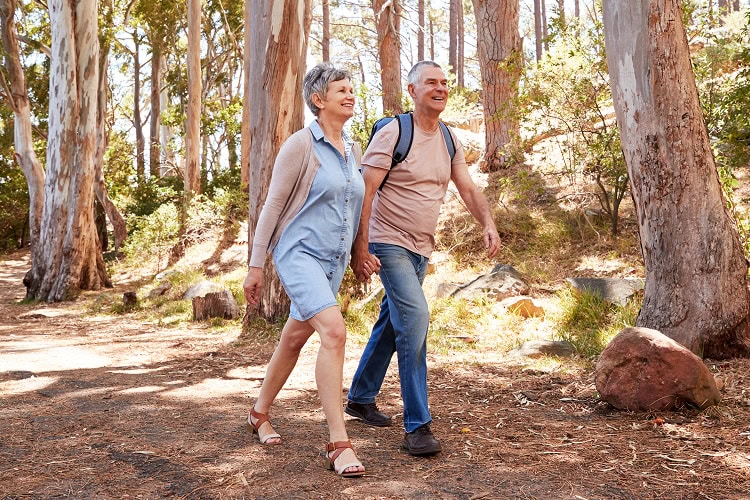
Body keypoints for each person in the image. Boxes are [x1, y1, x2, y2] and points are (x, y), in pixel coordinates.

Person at [345, 60, 501, 456]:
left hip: (421, 247)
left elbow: (466, 187)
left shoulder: (448, 138)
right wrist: (359, 248)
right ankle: (418, 425)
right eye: (431, 82)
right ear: (412, 90)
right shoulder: (395, 132)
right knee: (415, 317)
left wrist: (487, 222)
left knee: (390, 320)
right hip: (387, 242)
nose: (440, 88)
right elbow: (365, 191)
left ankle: (360, 397)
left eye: (445, 83)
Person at [244, 62, 367, 478]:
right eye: (341, 91)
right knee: (333, 331)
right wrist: (255, 264)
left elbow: (353, 208)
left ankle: (259, 412)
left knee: (295, 339)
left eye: (352, 89)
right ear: (318, 100)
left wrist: (358, 255)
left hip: (331, 263)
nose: (350, 95)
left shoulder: (353, 149)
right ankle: (338, 442)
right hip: (298, 255)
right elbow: (272, 205)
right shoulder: (300, 145)